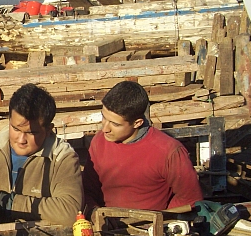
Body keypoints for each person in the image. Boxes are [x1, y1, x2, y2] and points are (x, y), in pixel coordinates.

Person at [0, 83, 83, 226]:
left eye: (31, 132)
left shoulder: (61, 158)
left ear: (48, 129)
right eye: (16, 129)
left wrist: (10, 204)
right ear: (9, 119)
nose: (21, 140)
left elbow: (70, 212)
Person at [82, 80, 203, 212]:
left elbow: (190, 200)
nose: (105, 128)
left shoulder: (169, 151)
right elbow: (88, 189)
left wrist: (159, 220)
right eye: (104, 117)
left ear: (137, 123)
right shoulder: (99, 141)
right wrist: (96, 214)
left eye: (115, 124)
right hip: (105, 225)